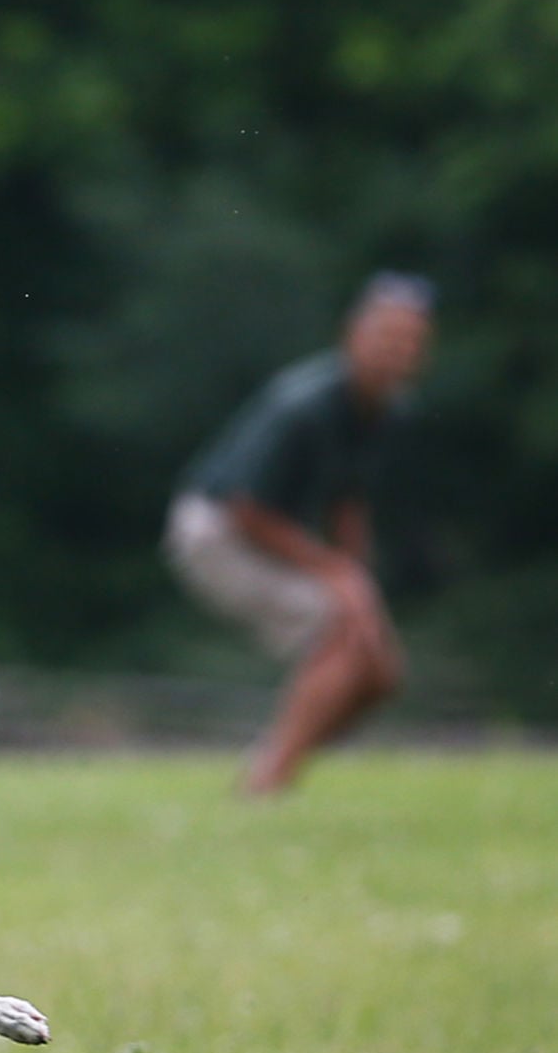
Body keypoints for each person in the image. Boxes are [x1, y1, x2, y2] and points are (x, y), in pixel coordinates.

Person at [164, 273, 435, 794]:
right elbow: (245, 508)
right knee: (338, 632)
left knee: (380, 672)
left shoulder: (388, 412)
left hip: (269, 534)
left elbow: (347, 503)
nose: (396, 352)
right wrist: (336, 576)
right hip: (214, 530)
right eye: (386, 337)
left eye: (410, 342)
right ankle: (266, 783)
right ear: (352, 335)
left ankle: (269, 762)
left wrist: (360, 585)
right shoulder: (302, 404)